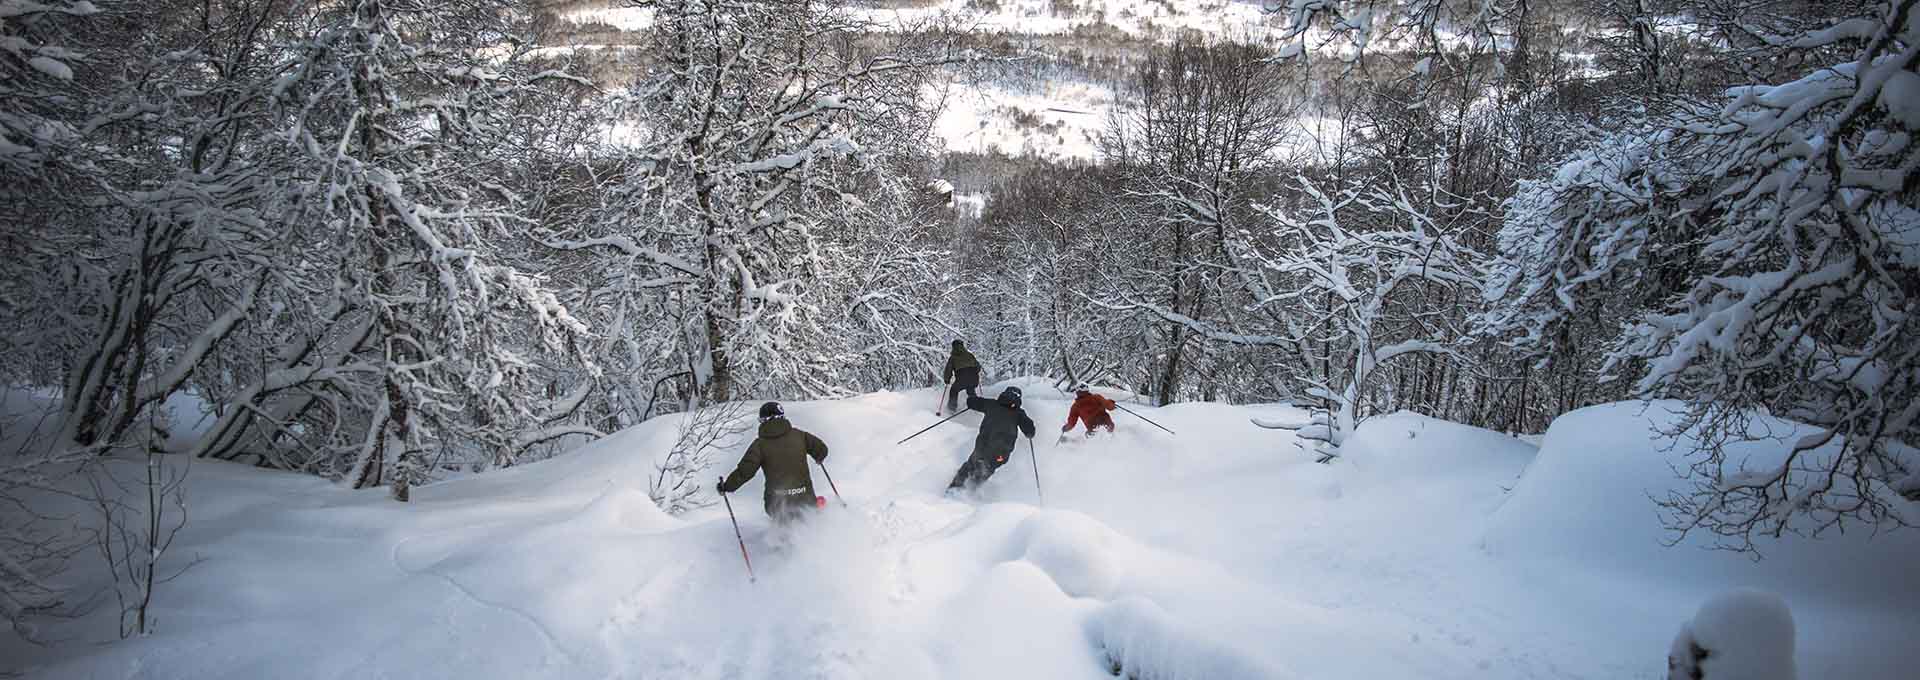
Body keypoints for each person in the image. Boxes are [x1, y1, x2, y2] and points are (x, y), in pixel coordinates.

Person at [718, 402, 829, 524]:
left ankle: (783, 537)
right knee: (807, 515)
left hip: (777, 502)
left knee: (782, 521)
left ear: (763, 420)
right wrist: (819, 457)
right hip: (805, 497)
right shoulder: (800, 435)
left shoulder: (759, 445)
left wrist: (727, 486)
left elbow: (745, 472)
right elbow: (821, 449)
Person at [946, 386, 1035, 493]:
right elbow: (1030, 430)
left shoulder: (992, 404)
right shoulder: (1019, 413)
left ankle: (955, 488)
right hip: (1003, 450)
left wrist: (971, 401)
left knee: (972, 463)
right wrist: (1029, 431)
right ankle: (971, 491)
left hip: (983, 444)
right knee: (989, 467)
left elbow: (972, 402)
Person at [941, 339, 982, 415]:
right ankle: (977, 406)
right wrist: (974, 373)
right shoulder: (970, 355)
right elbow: (978, 367)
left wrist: (947, 380)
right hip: (974, 378)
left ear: (953, 347)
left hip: (962, 378)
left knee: (954, 390)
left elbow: (948, 370)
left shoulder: (953, 357)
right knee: (970, 389)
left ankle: (951, 409)